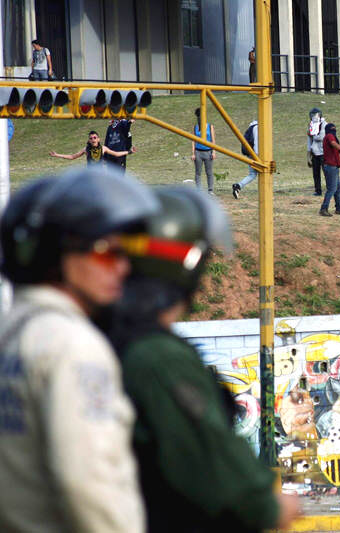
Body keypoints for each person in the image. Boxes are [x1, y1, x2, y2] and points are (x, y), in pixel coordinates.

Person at [0, 167, 157, 532]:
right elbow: (89, 484)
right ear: (58, 257)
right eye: (106, 252)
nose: (122, 266)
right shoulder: (74, 346)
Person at [107, 187, 301, 532]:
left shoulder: (101, 336)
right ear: (189, 266)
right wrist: (270, 505)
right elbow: (220, 469)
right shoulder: (158, 358)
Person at [49, 130, 135, 167]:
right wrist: (56, 155)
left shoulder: (103, 148)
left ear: (98, 139)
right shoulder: (86, 150)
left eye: (94, 137)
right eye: (91, 138)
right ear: (89, 140)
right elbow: (72, 157)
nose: (93, 139)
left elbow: (116, 154)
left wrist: (129, 152)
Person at [192, 108, 217, 194]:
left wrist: (214, 152)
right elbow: (193, 140)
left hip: (208, 152)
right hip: (198, 152)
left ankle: (210, 190)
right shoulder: (195, 127)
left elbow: (213, 140)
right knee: (198, 172)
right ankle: (199, 190)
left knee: (209, 172)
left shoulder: (210, 126)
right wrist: (193, 153)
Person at [232, 120, 259, 199]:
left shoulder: (250, 128)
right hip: (255, 154)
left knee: (252, 174)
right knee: (259, 173)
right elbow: (256, 143)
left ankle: (238, 186)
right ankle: (238, 186)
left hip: (251, 154)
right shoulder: (256, 127)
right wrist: (257, 156)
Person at [307, 107, 326, 196]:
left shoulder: (324, 124)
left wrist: (313, 135)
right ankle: (318, 190)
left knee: (326, 172)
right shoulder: (311, 125)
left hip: (323, 152)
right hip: (315, 153)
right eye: (312, 115)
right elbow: (309, 142)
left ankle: (330, 189)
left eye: (315, 115)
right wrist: (308, 156)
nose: (314, 117)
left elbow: (321, 137)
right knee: (316, 173)